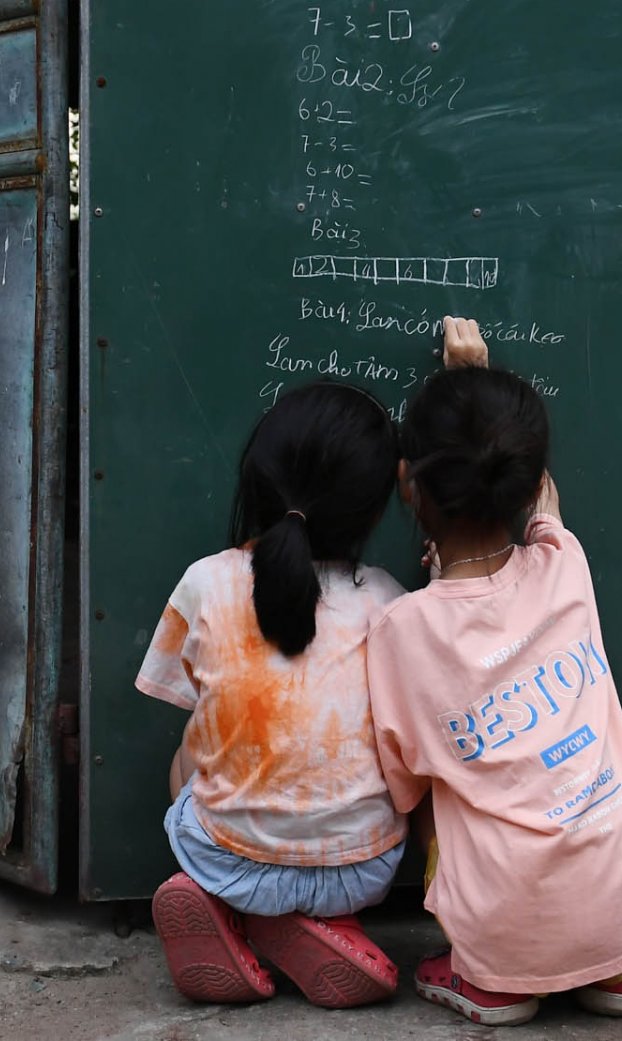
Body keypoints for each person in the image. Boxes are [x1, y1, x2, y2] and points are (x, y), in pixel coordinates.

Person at [367, 317, 622, 1025]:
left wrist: (456, 382)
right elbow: (542, 499)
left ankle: (494, 981)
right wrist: (476, 374)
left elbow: (401, 786)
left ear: (406, 484)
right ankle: (619, 973)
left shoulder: (400, 630)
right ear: (531, 478)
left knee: (435, 793)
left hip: (505, 927)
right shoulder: (564, 565)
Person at [134, 380, 408, 1009]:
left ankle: (236, 909)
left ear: (257, 480)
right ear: (373, 510)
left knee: (192, 747)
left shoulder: (206, 582)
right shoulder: (391, 600)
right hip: (361, 871)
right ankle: (321, 923)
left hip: (225, 857)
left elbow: (182, 708)